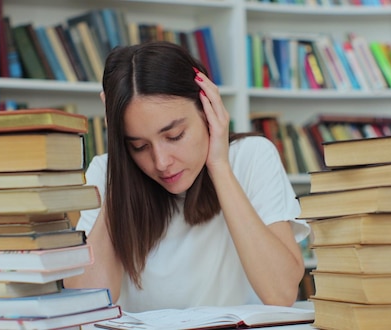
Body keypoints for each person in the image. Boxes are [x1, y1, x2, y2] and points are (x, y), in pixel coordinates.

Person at [64, 41, 310, 312]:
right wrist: (119, 166)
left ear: (208, 109)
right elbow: (85, 304)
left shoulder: (251, 157)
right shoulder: (105, 172)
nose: (161, 162)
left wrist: (219, 166)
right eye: (139, 146)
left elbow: (282, 293)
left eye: (175, 136)